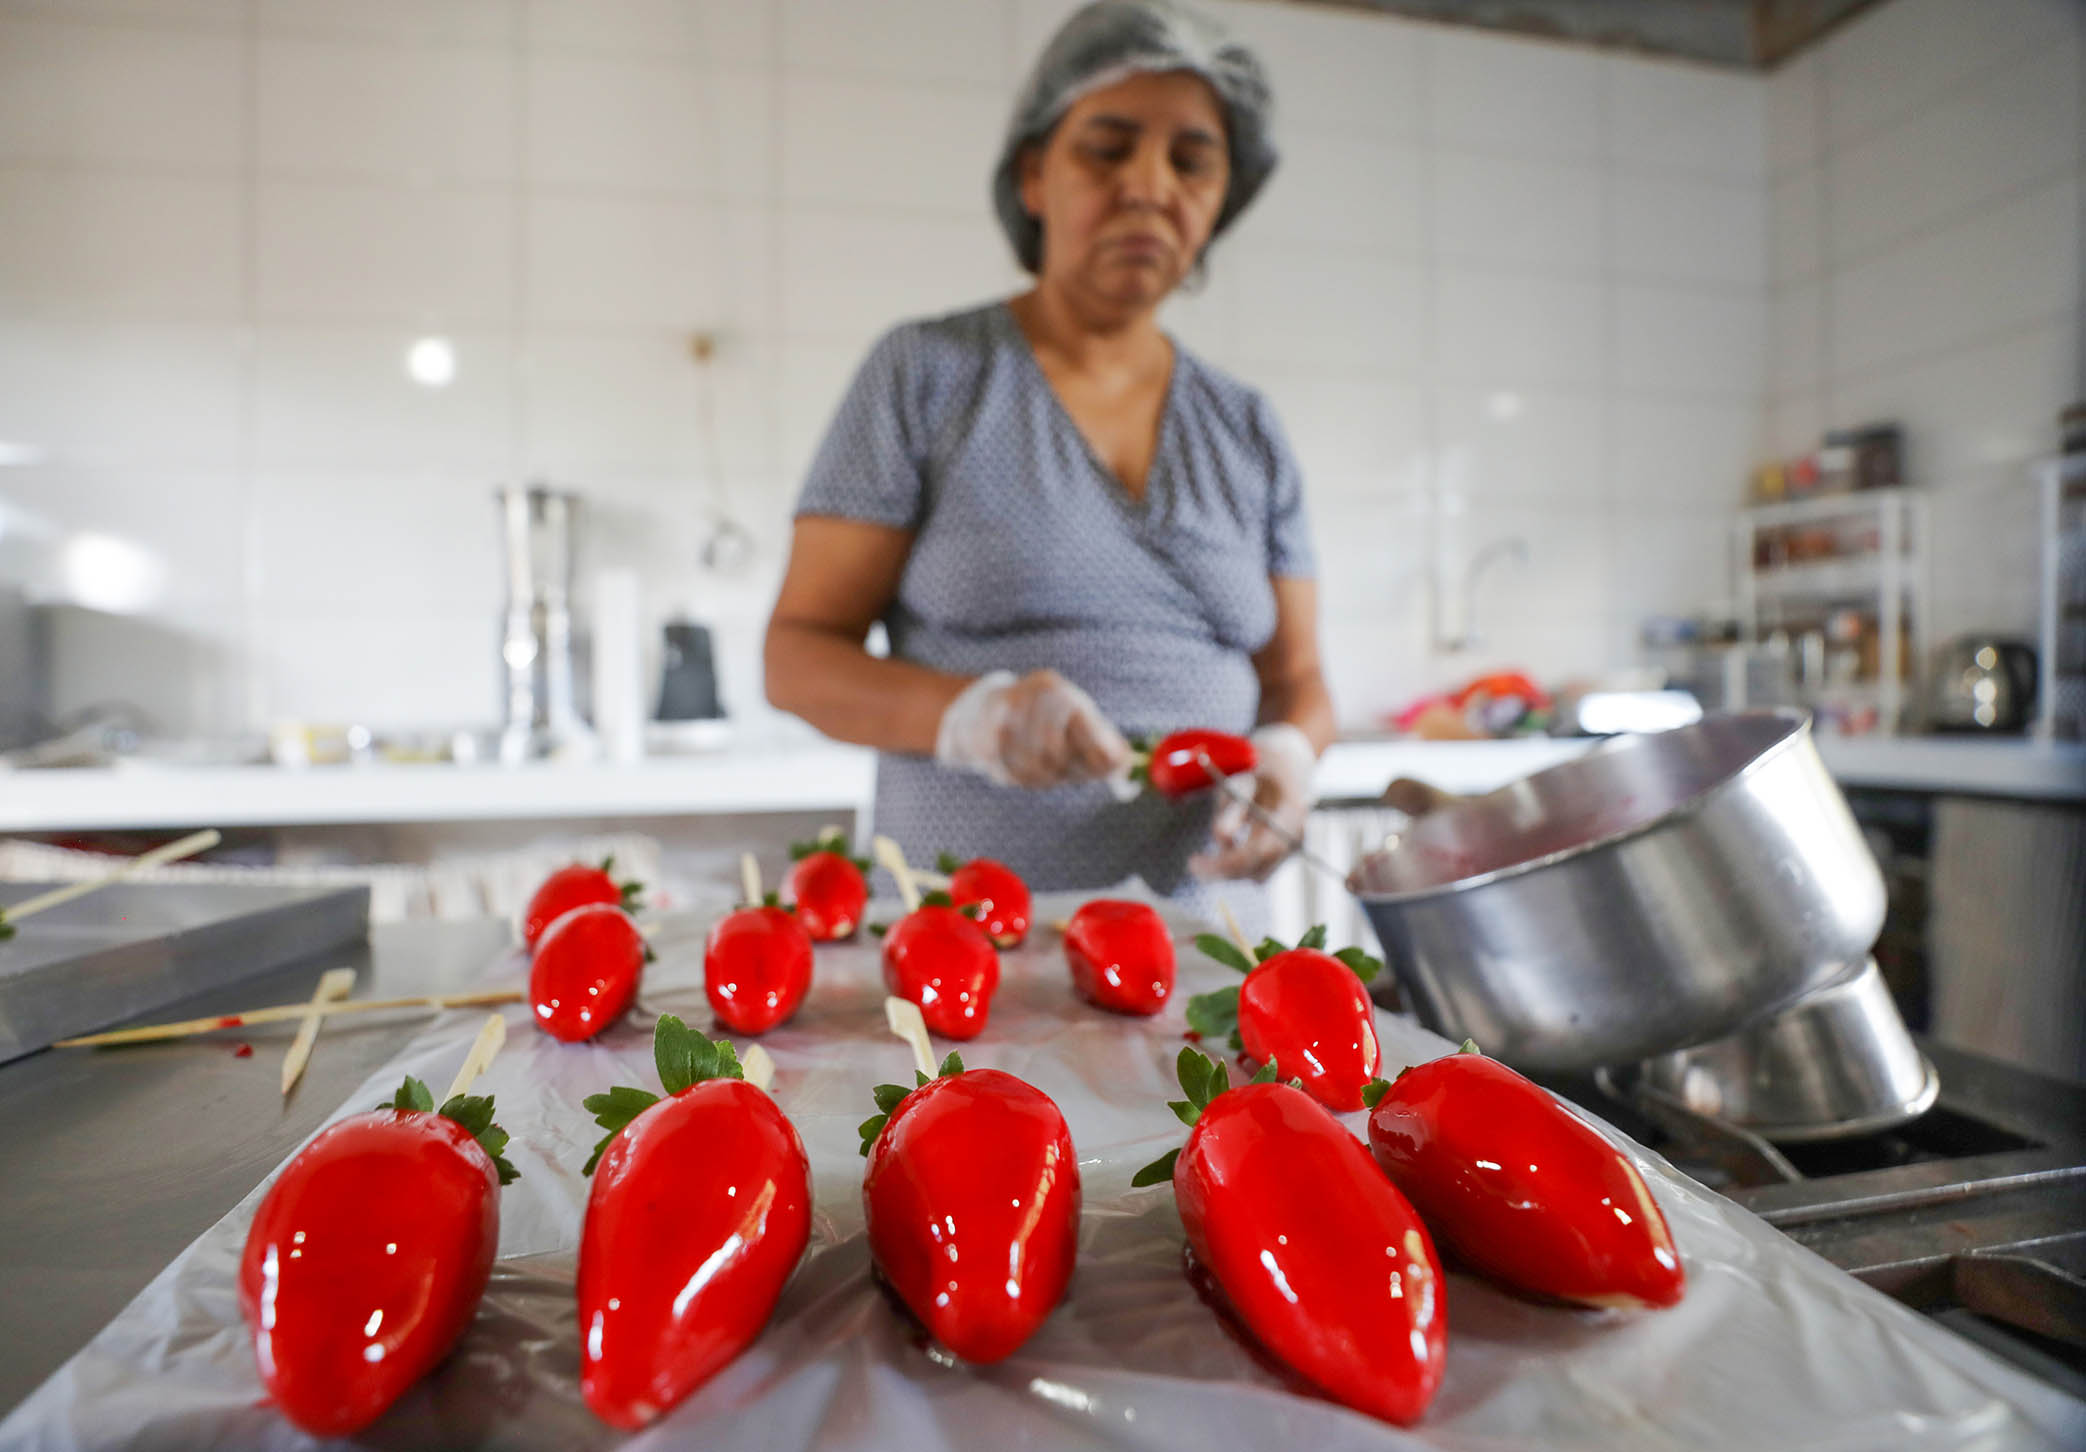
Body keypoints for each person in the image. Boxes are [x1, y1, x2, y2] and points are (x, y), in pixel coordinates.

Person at [763, 0, 1332, 905]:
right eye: (1107, 149)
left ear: (1222, 197)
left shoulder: (1246, 426)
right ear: (1035, 176)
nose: (1150, 186)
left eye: (1191, 161)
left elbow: (1296, 679)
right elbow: (795, 656)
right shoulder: (927, 374)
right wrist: (970, 717)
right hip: (971, 949)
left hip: (1210, 956)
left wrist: (1291, 753)